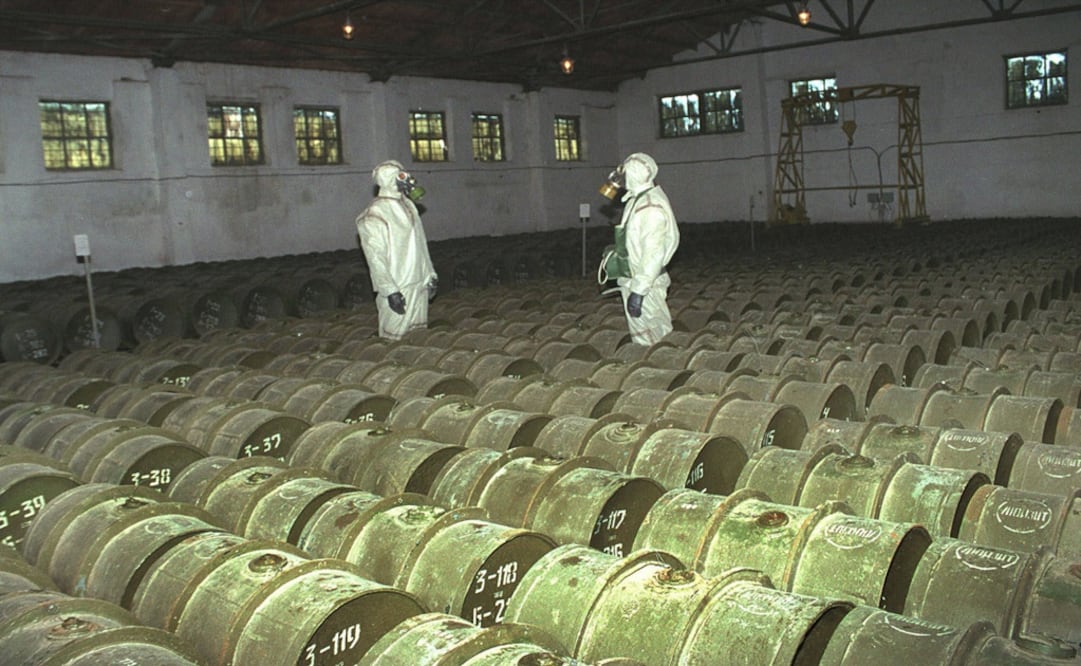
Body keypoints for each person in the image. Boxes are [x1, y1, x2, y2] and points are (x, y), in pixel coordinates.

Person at [598, 152, 680, 345]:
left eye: (626, 174)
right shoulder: (638, 198)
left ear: (634, 175)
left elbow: (653, 254)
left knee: (652, 337)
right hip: (636, 279)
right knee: (646, 335)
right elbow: (609, 191)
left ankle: (661, 370)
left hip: (646, 284)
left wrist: (639, 291)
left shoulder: (650, 208)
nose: (622, 179)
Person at [355, 159, 438, 340]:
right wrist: (390, 290)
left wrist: (430, 274)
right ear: (389, 180)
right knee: (395, 340)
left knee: (418, 338)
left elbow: (420, 243)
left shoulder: (409, 206)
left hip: (418, 283)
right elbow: (375, 257)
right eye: (400, 177)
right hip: (399, 286)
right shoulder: (375, 214)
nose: (406, 180)